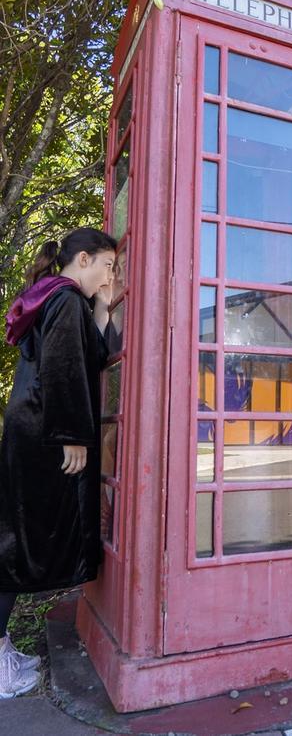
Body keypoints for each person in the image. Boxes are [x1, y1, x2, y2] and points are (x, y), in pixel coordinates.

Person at [0, 228, 117, 699]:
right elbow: (64, 367)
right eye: (107, 265)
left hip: (30, 428)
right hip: (46, 432)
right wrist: (72, 435)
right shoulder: (66, 299)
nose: (111, 274)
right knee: (15, 546)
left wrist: (106, 308)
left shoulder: (53, 298)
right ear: (83, 259)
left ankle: (3, 643)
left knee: (17, 538)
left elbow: (96, 357)